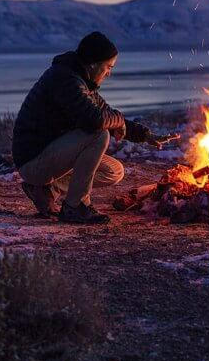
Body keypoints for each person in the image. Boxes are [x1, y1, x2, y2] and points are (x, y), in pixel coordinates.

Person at [13, 31, 155, 224]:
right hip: (33, 161)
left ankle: (48, 189)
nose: (109, 73)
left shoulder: (81, 80)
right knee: (98, 135)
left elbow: (106, 113)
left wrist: (144, 135)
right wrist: (118, 120)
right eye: (108, 67)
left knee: (113, 171)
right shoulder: (65, 79)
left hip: (51, 155)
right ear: (94, 64)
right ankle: (75, 206)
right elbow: (95, 121)